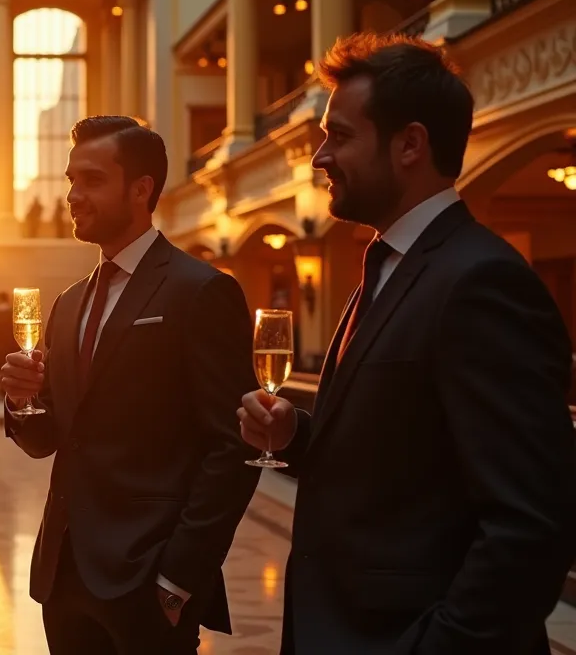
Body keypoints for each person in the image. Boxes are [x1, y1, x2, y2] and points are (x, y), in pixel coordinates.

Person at [237, 34, 576, 655]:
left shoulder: (482, 281)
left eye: (339, 135)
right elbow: (406, 457)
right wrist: (297, 435)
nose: (318, 156)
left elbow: (530, 526)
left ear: (410, 144)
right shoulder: (389, 264)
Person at [0, 115, 260, 654]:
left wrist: (177, 580)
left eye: (91, 181)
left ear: (141, 189)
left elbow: (231, 447)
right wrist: (21, 401)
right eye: (71, 180)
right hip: (64, 577)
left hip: (147, 580)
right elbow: (50, 436)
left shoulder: (201, 292)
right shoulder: (69, 302)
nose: (73, 195)